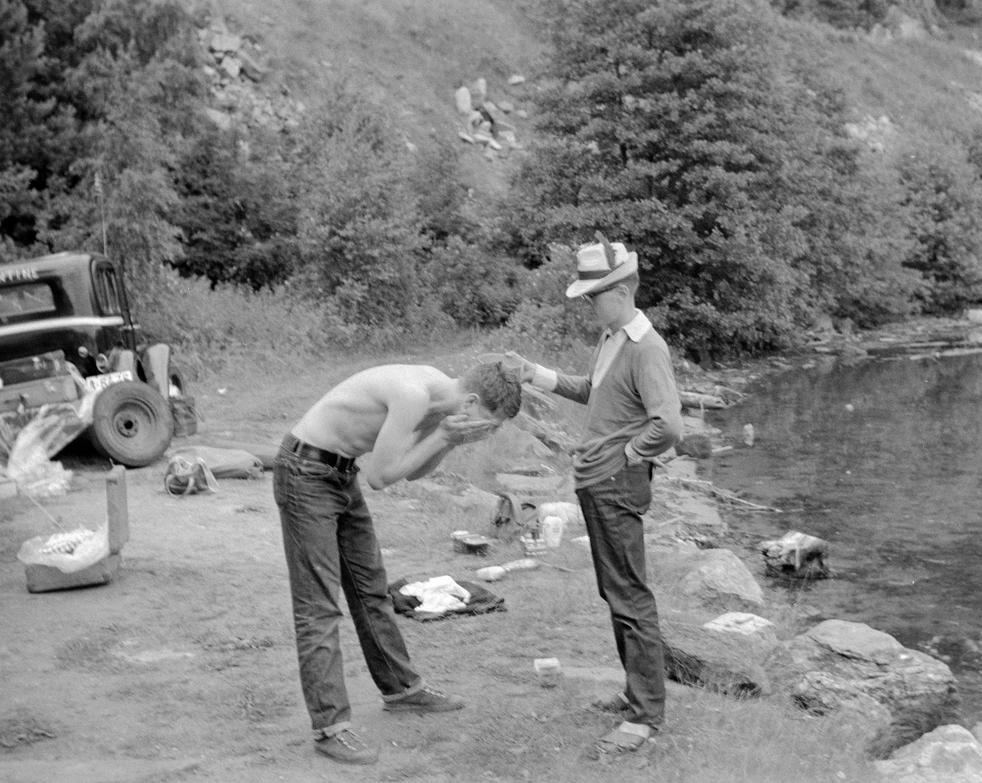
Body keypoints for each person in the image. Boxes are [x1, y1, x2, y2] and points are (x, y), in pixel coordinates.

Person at [274, 361, 522, 765]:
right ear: (472, 401)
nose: (486, 432)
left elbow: (415, 471)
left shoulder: (441, 403)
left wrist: (448, 441)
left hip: (338, 473)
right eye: (488, 423)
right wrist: (444, 434)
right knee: (318, 606)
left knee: (370, 588)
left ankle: (402, 691)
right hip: (305, 472)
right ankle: (329, 727)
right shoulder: (414, 395)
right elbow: (382, 476)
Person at [509, 235, 683, 756]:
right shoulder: (613, 338)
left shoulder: (646, 347)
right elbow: (593, 390)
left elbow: (668, 425)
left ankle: (646, 717)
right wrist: (533, 374)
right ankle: (636, 696)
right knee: (616, 594)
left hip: (616, 482)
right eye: (586, 294)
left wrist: (629, 455)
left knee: (630, 596)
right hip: (599, 481)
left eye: (596, 293)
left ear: (624, 289)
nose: (589, 302)